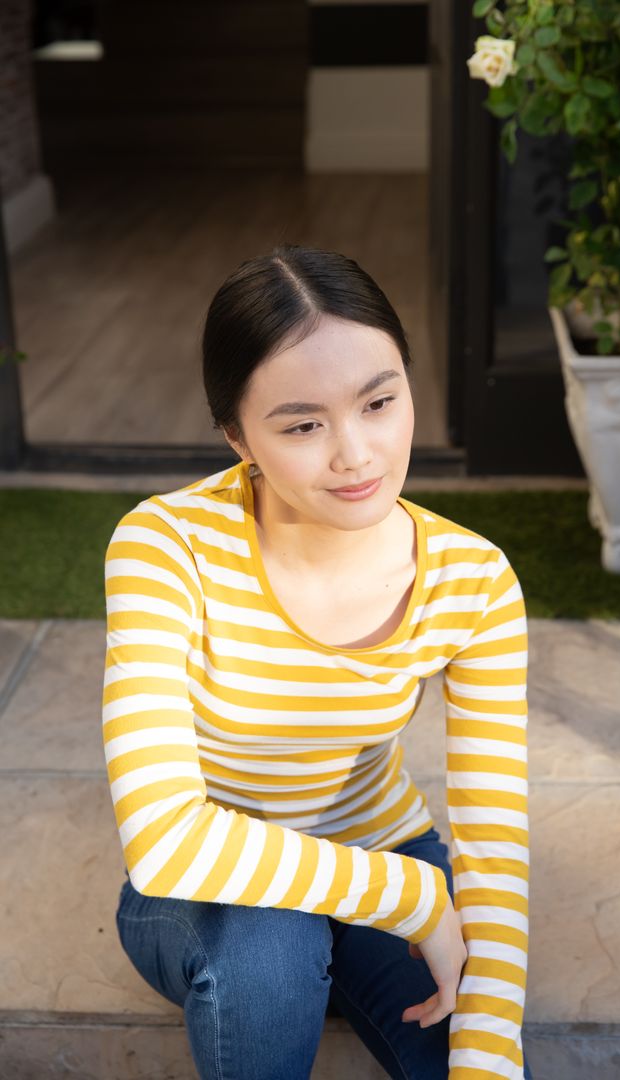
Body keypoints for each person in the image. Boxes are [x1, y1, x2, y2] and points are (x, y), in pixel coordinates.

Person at [103, 243, 534, 1080]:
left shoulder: (473, 578)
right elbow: (164, 844)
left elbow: (495, 843)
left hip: (382, 842)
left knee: (468, 1043)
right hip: (206, 891)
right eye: (303, 424)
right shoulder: (164, 546)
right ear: (237, 437)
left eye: (379, 402)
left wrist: (489, 1060)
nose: (356, 455)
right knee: (274, 942)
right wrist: (411, 898)